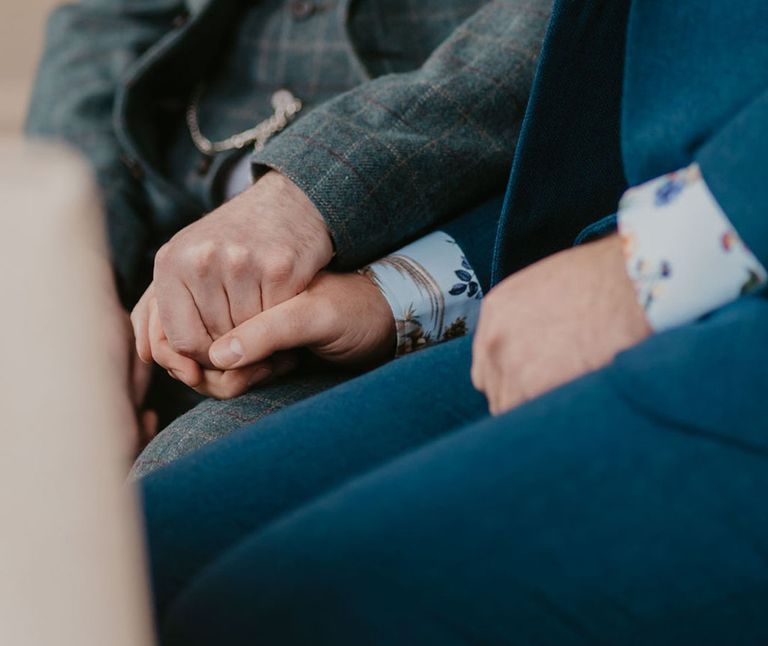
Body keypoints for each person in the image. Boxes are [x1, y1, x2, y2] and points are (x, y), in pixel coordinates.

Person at [140, 1, 768, 646]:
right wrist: (396, 297)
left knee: (252, 638)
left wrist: (659, 259)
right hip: (631, 258)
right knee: (134, 568)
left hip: (734, 325)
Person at [26, 0, 550, 456]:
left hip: (399, 262)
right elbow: (104, 24)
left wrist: (303, 198)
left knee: (179, 502)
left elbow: (566, 29)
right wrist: (77, 270)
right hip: (147, 225)